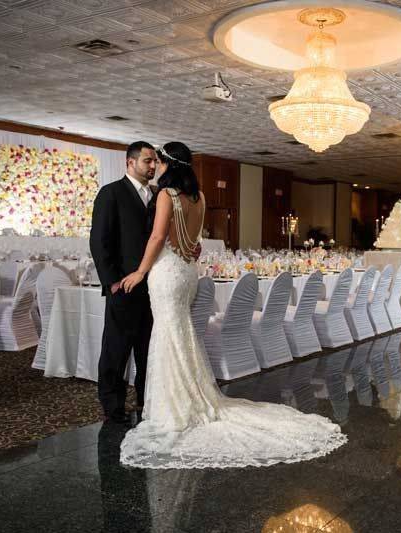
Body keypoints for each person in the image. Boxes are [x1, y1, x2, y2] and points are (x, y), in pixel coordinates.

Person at [117, 141, 347, 469]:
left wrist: (140, 271)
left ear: (169, 164)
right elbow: (193, 243)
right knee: (180, 332)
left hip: (166, 271)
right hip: (187, 272)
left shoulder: (166, 196)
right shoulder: (200, 197)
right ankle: (189, 396)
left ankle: (174, 405)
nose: (156, 167)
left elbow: (156, 238)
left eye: (159, 162)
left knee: (169, 334)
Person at [89, 141, 157, 423]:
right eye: (147, 161)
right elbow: (99, 242)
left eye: (154, 161)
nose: (153, 166)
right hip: (123, 287)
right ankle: (113, 406)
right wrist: (112, 282)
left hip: (153, 288)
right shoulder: (111, 193)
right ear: (130, 163)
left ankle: (145, 400)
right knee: (116, 351)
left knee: (147, 350)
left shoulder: (157, 195)